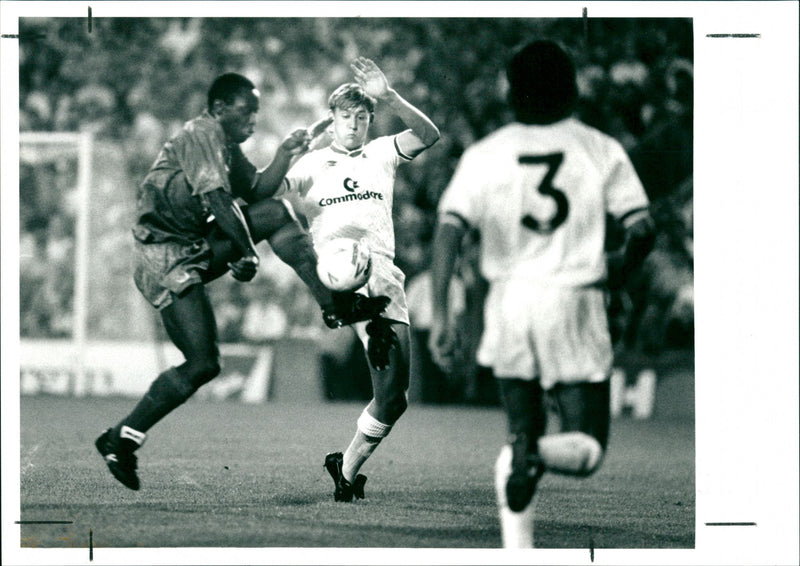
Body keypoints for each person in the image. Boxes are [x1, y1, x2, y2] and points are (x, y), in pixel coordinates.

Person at [95, 72, 388, 490]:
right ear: (219, 110)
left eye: (256, 111)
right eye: (245, 110)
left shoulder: (225, 145)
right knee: (203, 363)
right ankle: (121, 438)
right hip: (161, 256)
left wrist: (286, 152)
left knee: (275, 212)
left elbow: (254, 188)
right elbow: (216, 199)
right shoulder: (202, 134)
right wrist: (246, 251)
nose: (253, 119)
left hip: (191, 245)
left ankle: (335, 305)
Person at [429, 40, 656, 547]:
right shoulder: (600, 148)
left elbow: (447, 233)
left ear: (511, 93)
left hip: (509, 304)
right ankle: (537, 458)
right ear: (572, 89)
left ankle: (520, 544)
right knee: (589, 446)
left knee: (520, 432)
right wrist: (619, 268)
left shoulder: (485, 154)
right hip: (575, 300)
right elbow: (642, 230)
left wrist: (442, 315)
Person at [267, 57, 440, 501]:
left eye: (363, 117)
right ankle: (344, 477)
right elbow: (266, 194)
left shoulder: (381, 152)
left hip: (385, 273)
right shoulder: (311, 163)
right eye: (347, 117)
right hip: (344, 279)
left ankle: (344, 468)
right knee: (385, 381)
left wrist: (390, 96)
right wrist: (286, 154)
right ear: (334, 119)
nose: (355, 124)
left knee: (395, 398)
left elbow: (429, 135)